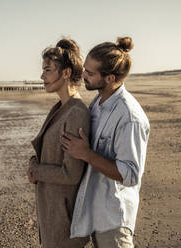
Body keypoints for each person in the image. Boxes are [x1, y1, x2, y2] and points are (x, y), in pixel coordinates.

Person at [61, 37, 150, 248]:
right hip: (94, 211)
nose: (83, 76)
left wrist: (86, 153)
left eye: (90, 73)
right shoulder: (98, 103)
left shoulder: (130, 117)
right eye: (85, 69)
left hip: (113, 219)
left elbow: (130, 175)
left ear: (110, 78)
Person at [27, 38, 90, 248]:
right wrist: (33, 165)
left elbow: (71, 173)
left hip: (64, 220)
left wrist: (37, 171)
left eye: (47, 70)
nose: (42, 76)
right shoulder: (60, 107)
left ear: (66, 73)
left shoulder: (77, 113)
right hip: (51, 212)